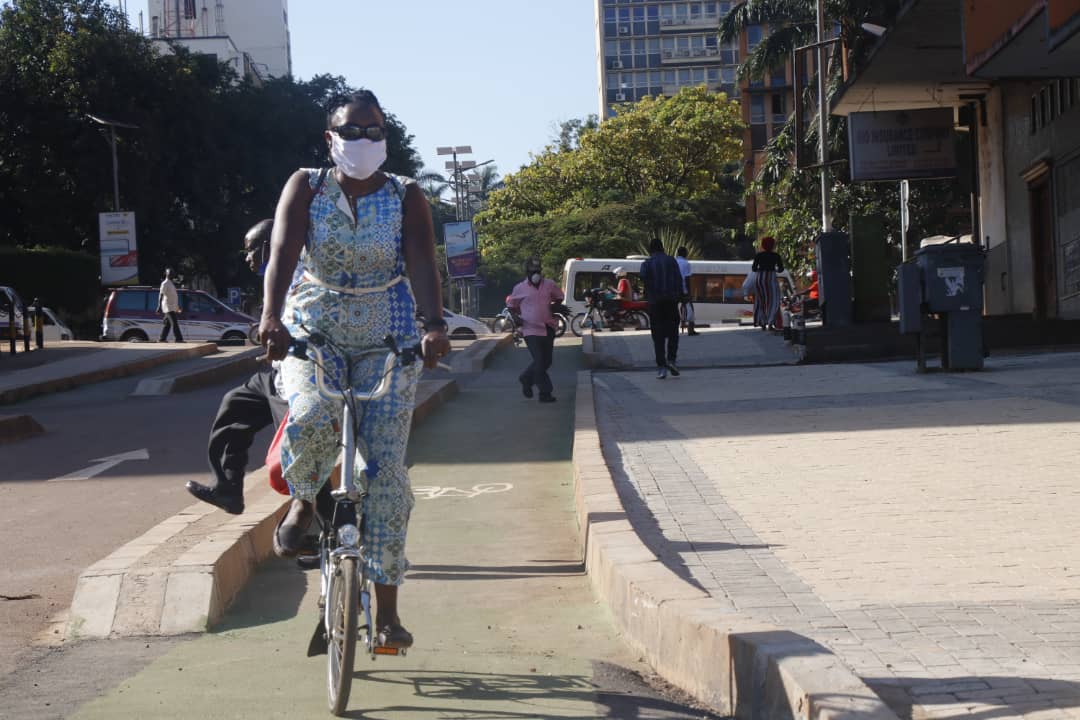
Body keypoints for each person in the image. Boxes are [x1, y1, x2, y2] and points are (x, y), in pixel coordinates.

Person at [259, 90, 450, 649]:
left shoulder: (406, 194)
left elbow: (421, 260)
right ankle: (302, 504)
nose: (364, 141)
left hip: (387, 337)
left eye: (375, 131)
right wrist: (270, 317)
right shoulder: (306, 185)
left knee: (386, 477)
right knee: (314, 412)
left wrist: (434, 324)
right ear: (331, 138)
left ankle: (386, 613)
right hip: (312, 328)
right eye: (353, 130)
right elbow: (283, 251)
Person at [507, 258, 564, 403]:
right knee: (539, 361)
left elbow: (559, 297)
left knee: (546, 361)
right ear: (527, 272)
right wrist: (516, 317)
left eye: (538, 271)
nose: (536, 274)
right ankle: (545, 393)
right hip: (530, 329)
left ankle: (526, 378)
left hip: (548, 327)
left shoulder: (549, 284)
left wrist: (555, 306)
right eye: (533, 271)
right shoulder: (519, 288)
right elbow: (511, 305)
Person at [639, 238, 683, 379]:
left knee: (658, 337)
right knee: (673, 334)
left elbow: (643, 277)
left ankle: (661, 367)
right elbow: (678, 280)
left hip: (655, 304)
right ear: (662, 248)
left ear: (650, 250)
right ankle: (672, 360)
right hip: (671, 303)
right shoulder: (672, 261)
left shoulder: (647, 263)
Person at [751, 236, 784, 331]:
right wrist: (775, 269)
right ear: (773, 245)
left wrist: (761, 269)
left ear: (763, 245)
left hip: (760, 279)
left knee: (760, 301)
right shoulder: (776, 256)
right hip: (771, 279)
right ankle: (770, 323)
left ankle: (762, 323)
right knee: (773, 301)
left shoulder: (758, 255)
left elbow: (754, 268)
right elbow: (781, 269)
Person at [674, 247, 698, 336]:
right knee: (690, 308)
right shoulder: (686, 263)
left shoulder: (673, 262)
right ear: (685, 253)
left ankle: (673, 330)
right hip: (683, 291)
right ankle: (690, 330)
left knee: (673, 310)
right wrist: (689, 292)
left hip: (673, 291)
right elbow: (687, 279)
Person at [158, 268, 184, 342]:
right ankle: (179, 339)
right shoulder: (165, 283)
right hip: (167, 307)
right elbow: (161, 295)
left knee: (167, 324)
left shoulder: (171, 283)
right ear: (166, 274)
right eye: (170, 273)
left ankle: (162, 338)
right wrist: (159, 306)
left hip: (172, 307)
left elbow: (173, 297)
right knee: (174, 322)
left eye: (172, 273)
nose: (172, 274)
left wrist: (177, 307)